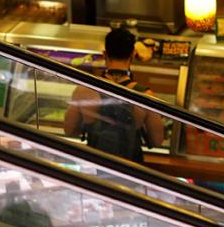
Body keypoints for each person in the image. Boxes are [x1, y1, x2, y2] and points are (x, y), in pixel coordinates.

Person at [64, 26, 165, 162]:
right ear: (132, 55)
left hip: (96, 170)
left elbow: (70, 131)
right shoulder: (146, 95)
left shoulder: (84, 91)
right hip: (131, 172)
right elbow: (157, 141)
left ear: (104, 54)